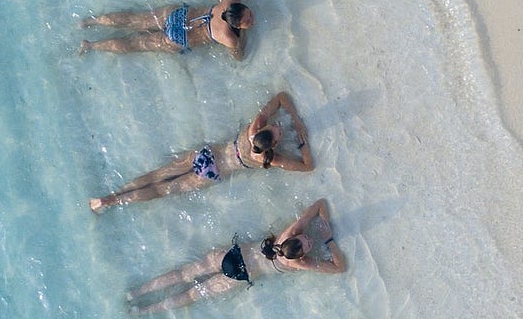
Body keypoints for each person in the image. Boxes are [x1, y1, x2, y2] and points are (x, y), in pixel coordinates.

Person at [90, 92, 313, 213]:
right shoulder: (267, 158)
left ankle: (110, 197)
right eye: (277, 130)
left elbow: (281, 97)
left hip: (206, 155)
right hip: (212, 172)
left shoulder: (254, 127)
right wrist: (300, 135)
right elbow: (307, 166)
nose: (278, 128)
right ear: (273, 146)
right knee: (163, 190)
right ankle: (114, 203)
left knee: (157, 175)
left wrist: (285, 115)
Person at [127, 199, 347, 313]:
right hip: (240, 273)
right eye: (306, 241)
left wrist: (320, 223)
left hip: (233, 254)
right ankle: (145, 308)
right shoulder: (301, 263)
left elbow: (318, 205)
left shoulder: (286, 235)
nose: (307, 240)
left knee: (186, 277)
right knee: (193, 294)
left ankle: (139, 297)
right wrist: (328, 238)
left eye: (306, 243)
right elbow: (339, 267)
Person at [80, 0, 253, 60]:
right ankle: (90, 45)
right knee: (135, 44)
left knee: (134, 20)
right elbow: (239, 57)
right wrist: (243, 38)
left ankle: (91, 21)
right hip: (179, 38)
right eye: (248, 20)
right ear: (235, 24)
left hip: (178, 15)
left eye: (249, 15)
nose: (252, 20)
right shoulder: (229, 38)